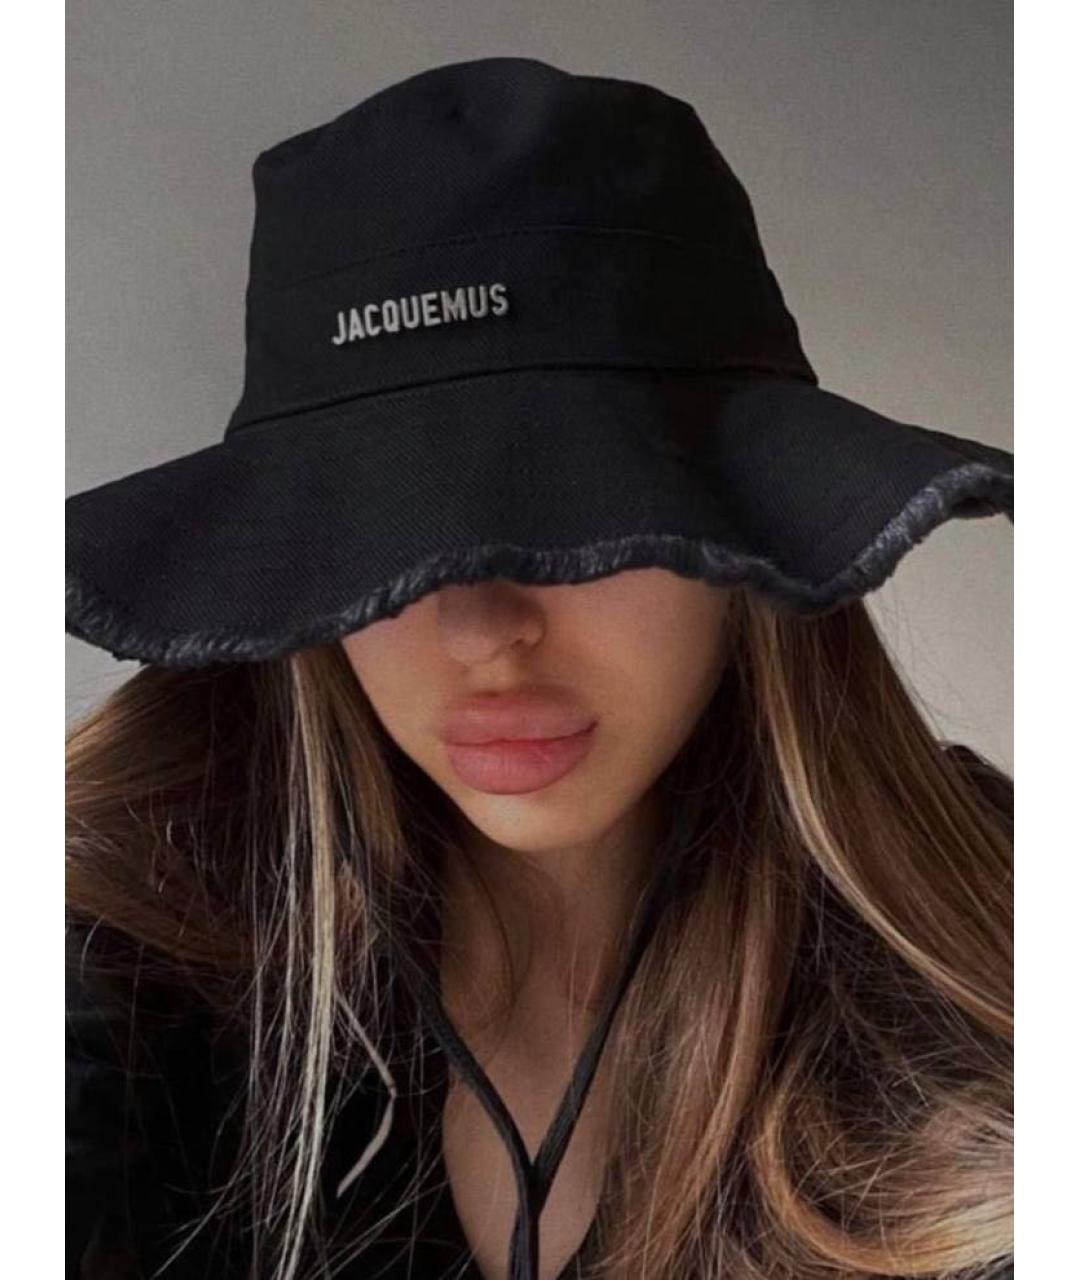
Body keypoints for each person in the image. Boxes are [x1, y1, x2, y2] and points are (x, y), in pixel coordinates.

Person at [65, 57, 1014, 1280]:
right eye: (387, 543)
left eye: (574, 519)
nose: (480, 630)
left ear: (740, 526)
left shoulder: (997, 935)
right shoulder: (119, 971)